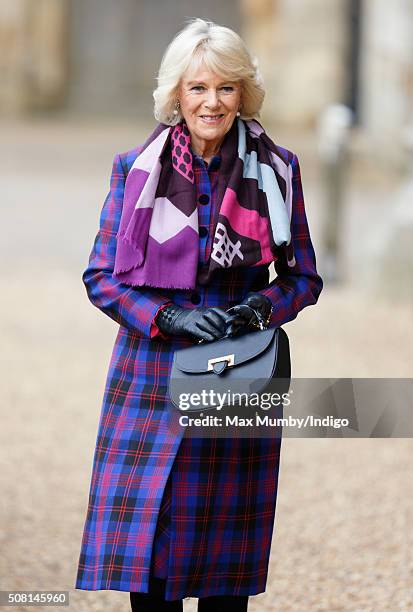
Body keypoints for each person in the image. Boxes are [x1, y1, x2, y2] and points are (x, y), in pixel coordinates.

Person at [75, 18, 323, 611]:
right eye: (197, 88)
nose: (212, 102)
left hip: (239, 370)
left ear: (244, 94)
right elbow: (101, 279)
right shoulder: (134, 168)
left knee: (222, 567)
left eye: (226, 88)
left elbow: (303, 277)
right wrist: (169, 318)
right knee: (151, 561)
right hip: (152, 365)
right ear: (175, 96)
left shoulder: (278, 170)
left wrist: (261, 307)